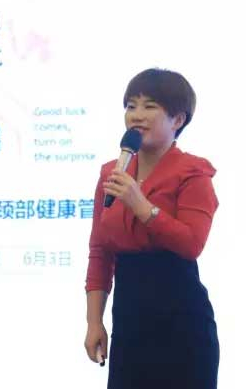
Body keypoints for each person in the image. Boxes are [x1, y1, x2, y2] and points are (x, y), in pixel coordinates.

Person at [84, 68, 220, 388]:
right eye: (131, 106)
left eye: (149, 106)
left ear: (178, 120)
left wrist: (140, 205)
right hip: (129, 322)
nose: (137, 115)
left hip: (183, 323)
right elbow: (100, 251)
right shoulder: (112, 173)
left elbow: (191, 243)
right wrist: (94, 322)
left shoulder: (193, 172)